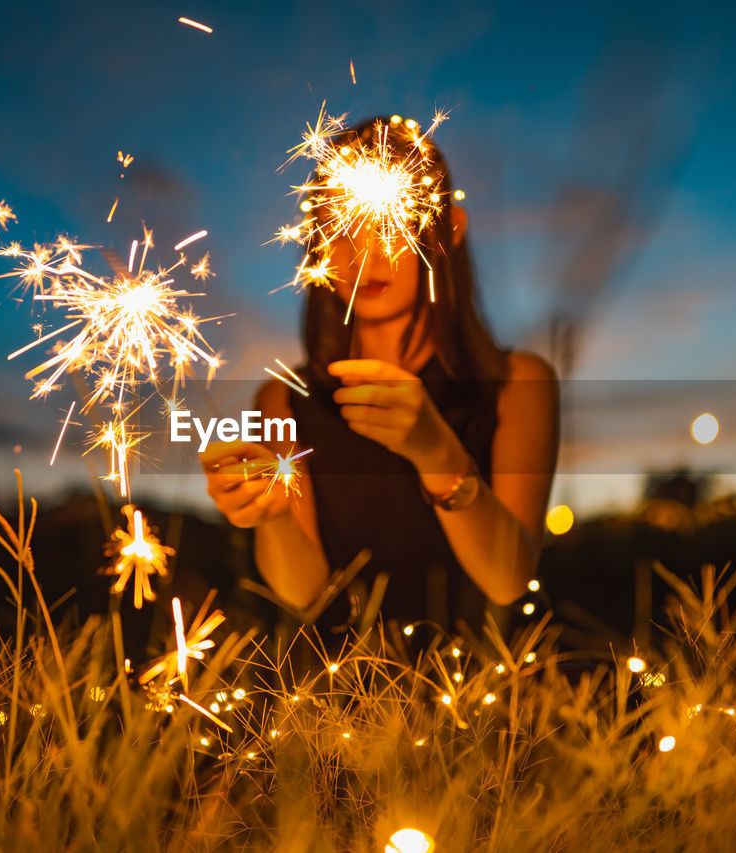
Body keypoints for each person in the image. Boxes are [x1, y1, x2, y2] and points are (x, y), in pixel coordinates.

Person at [199, 115, 560, 632]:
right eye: (338, 231)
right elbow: (302, 594)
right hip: (342, 697)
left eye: (388, 227)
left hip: (485, 694)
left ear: (447, 231)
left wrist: (436, 451)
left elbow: (506, 579)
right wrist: (272, 513)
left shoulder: (517, 383)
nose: (362, 256)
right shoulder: (286, 399)